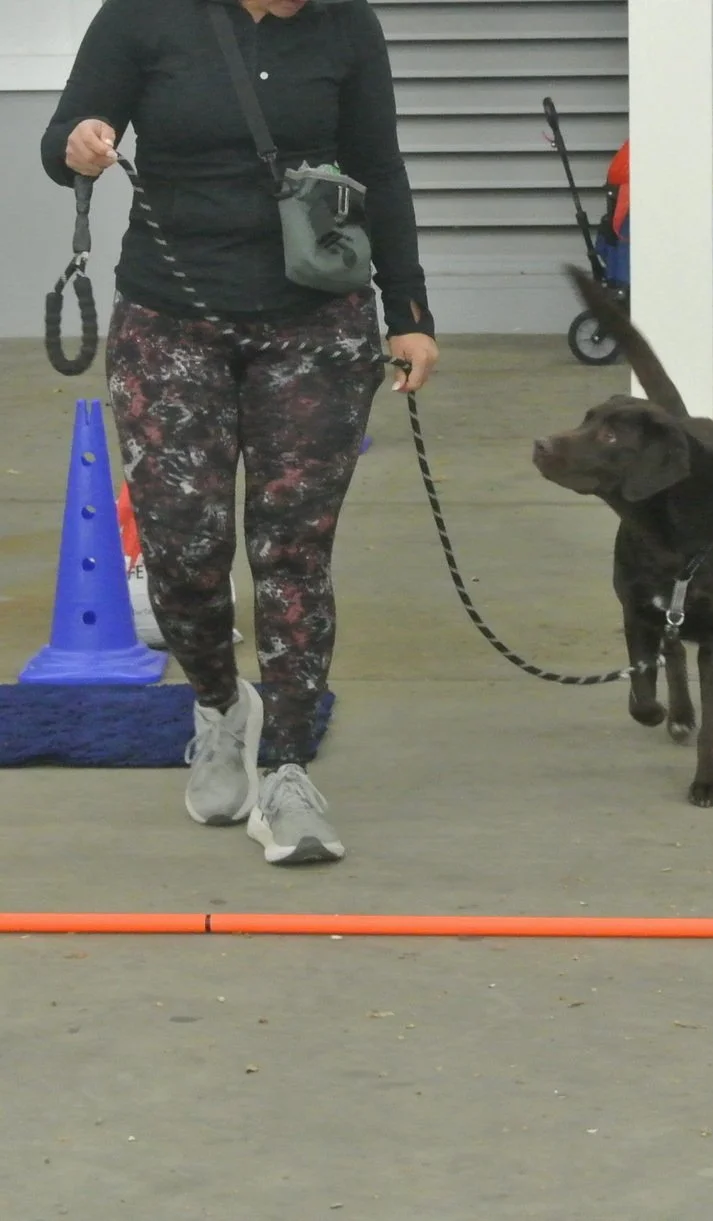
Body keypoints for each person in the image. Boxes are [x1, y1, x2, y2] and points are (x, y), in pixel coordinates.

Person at [40, 0, 439, 866]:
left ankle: (289, 767)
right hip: (169, 313)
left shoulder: (347, 26)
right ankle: (219, 707)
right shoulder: (146, 16)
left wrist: (405, 309)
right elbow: (62, 136)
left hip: (315, 319)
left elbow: (381, 167)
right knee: (184, 549)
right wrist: (82, 143)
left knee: (293, 549)